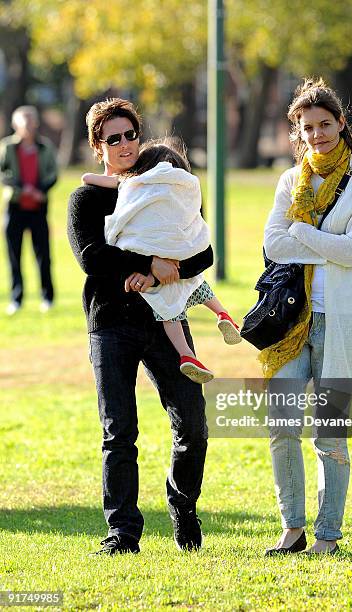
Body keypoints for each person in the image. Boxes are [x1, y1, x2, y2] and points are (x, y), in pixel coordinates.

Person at [67, 98, 214, 555]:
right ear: (98, 147)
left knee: (192, 422)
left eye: (132, 134)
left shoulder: (167, 184)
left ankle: (182, 502)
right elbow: (92, 257)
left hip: (166, 318)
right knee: (119, 431)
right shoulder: (87, 197)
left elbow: (202, 253)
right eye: (114, 138)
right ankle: (123, 533)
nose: (127, 144)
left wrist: (154, 273)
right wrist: (148, 261)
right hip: (110, 322)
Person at [261, 78, 352, 556]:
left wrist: (302, 232)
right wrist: (324, 245)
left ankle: (328, 537)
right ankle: (292, 529)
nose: (317, 134)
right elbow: (274, 245)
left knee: (328, 434)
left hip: (342, 322)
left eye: (325, 124)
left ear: (341, 124)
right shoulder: (289, 182)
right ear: (297, 131)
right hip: (293, 323)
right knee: (281, 427)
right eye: (306, 127)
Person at [81, 139, 241, 384]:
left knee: (168, 310)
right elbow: (203, 249)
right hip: (179, 257)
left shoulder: (135, 182)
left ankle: (185, 354)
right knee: (197, 283)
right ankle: (222, 313)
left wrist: (88, 177)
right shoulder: (185, 187)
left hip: (151, 255)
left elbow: (98, 181)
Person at [0, 105, 58, 315]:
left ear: (35, 123)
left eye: (31, 121)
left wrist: (40, 191)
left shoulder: (45, 147)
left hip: (38, 209)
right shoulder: (7, 147)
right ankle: (16, 299)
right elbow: (2, 173)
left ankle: (47, 298)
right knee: (14, 256)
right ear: (16, 124)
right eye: (23, 122)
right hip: (14, 208)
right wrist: (20, 188)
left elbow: (53, 173)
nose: (27, 126)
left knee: (43, 255)